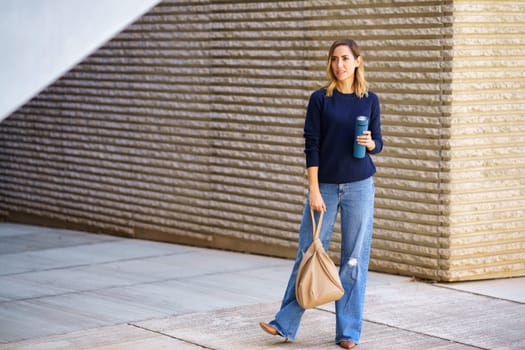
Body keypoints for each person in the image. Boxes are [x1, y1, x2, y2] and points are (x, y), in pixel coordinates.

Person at [259, 39, 383, 349]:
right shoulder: (320, 99)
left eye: (344, 58)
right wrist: (313, 189)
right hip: (324, 187)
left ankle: (348, 332)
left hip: (360, 186)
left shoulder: (370, 100)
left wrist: (370, 144)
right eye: (334, 59)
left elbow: (378, 143)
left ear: (357, 61)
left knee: (354, 259)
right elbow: (311, 146)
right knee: (308, 252)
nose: (339, 64)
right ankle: (284, 324)